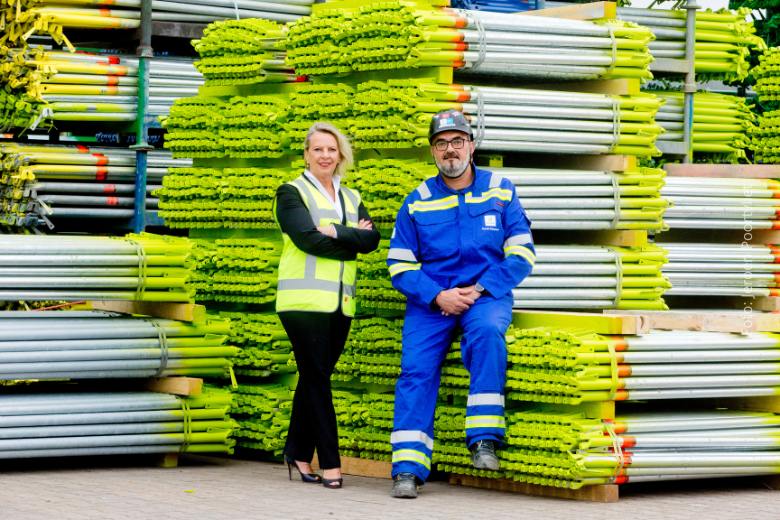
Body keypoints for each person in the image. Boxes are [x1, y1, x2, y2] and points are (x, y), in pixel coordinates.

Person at [386, 110, 535, 498]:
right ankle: (408, 468)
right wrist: (437, 295)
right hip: (431, 300)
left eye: (457, 142)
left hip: (486, 295)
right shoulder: (417, 201)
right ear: (433, 151)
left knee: (487, 334)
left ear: (471, 145)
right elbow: (399, 265)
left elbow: (522, 253)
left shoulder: (501, 190)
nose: (449, 150)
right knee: (415, 370)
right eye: (441, 144)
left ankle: (484, 439)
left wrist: (482, 289)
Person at [274, 122, 380, 489]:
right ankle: (331, 464)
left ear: (341, 155)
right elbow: (306, 240)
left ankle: (297, 452)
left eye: (331, 150)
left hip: (340, 303)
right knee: (318, 379)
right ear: (306, 154)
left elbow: (373, 240)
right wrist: (352, 239)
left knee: (313, 377)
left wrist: (336, 232)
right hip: (302, 303)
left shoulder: (351, 197)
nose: (325, 156)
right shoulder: (290, 193)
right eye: (317, 149)